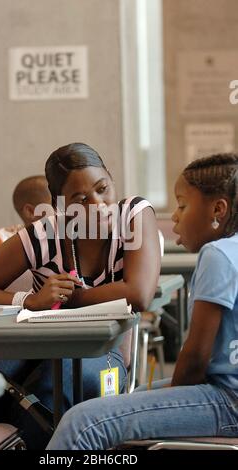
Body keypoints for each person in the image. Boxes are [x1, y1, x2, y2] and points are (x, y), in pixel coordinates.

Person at [0, 142, 161, 448]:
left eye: (103, 188)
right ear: (61, 204)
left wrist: (69, 300)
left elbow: (139, 294)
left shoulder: (133, 214)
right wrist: (30, 301)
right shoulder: (43, 234)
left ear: (112, 180)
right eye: (80, 198)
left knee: (59, 382)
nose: (98, 204)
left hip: (102, 351)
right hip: (36, 350)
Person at [46, 152, 238, 450]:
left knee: (82, 423)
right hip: (224, 390)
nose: (174, 216)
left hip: (228, 400)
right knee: (116, 403)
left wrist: (163, 404)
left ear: (218, 209)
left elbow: (196, 358)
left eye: (183, 205)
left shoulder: (218, 254)